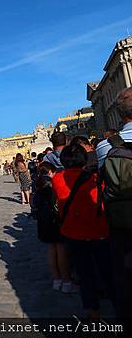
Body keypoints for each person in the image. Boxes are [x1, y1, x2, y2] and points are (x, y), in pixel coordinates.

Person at [52, 143, 114, 320]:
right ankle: (119, 305)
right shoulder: (94, 178)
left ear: (63, 161)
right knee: (107, 271)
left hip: (73, 233)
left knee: (84, 274)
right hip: (99, 231)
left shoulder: (57, 179)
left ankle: (92, 312)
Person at [95, 86, 132, 323]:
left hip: (123, 224)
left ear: (118, 114)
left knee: (126, 283)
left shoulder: (105, 147)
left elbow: (102, 182)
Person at [34, 162, 74, 293]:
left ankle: (56, 280)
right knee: (61, 251)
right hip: (55, 221)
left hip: (44, 223)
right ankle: (67, 281)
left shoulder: (38, 186)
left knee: (51, 251)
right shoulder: (51, 184)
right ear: (50, 172)